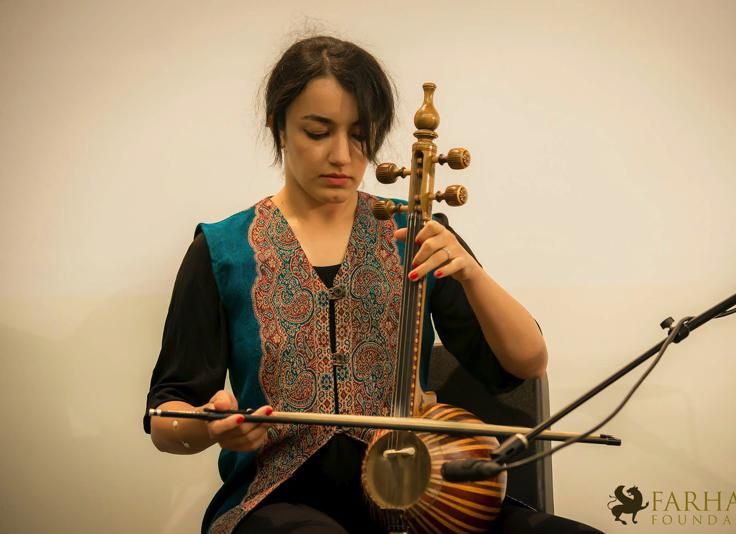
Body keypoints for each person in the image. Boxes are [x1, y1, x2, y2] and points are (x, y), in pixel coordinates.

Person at [145, 35, 600, 534]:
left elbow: (526, 364)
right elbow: (167, 416)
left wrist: (471, 272)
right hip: (277, 501)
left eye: (361, 135)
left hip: (422, 494)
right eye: (318, 132)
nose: (342, 155)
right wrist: (211, 427)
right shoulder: (222, 250)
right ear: (278, 126)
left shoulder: (417, 232)